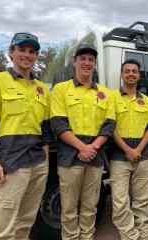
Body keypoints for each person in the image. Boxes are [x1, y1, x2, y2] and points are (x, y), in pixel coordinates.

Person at [0, 32, 52, 239]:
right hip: (11, 162)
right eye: (22, 49)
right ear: (11, 52)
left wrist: (45, 156)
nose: (27, 55)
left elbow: (45, 127)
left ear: (36, 56)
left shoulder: (42, 89)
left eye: (32, 51)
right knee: (2, 228)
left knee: (26, 221)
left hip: (37, 163)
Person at [50, 44, 115, 240]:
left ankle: (87, 236)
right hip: (70, 156)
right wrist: (82, 148)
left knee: (90, 205)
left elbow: (109, 125)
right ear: (74, 62)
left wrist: (92, 148)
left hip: (94, 156)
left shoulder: (106, 93)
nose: (87, 63)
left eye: (91, 60)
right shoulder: (61, 89)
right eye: (83, 58)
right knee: (68, 207)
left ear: (95, 64)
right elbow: (58, 123)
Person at [109, 59, 148, 240]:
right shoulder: (111, 97)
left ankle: (143, 232)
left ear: (139, 75)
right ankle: (129, 234)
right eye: (127, 71)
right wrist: (128, 150)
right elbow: (109, 127)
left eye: (134, 71)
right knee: (120, 201)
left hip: (142, 157)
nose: (130, 74)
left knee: (142, 200)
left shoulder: (147, 101)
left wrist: (138, 150)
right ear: (121, 74)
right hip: (119, 157)